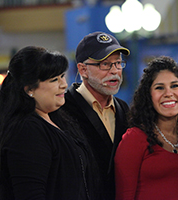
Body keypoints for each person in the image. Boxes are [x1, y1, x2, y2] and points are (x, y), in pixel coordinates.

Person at [0, 46, 101, 200]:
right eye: (54, 80)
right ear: (29, 89)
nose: (64, 84)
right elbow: (30, 194)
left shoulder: (58, 119)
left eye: (62, 76)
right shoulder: (27, 130)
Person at [115, 56, 178, 200]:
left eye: (174, 86)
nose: (168, 93)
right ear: (149, 96)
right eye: (159, 88)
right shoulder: (135, 138)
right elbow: (124, 195)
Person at [60, 31, 130, 200]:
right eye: (105, 65)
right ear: (83, 69)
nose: (114, 71)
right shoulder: (63, 108)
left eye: (118, 63)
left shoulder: (123, 110)